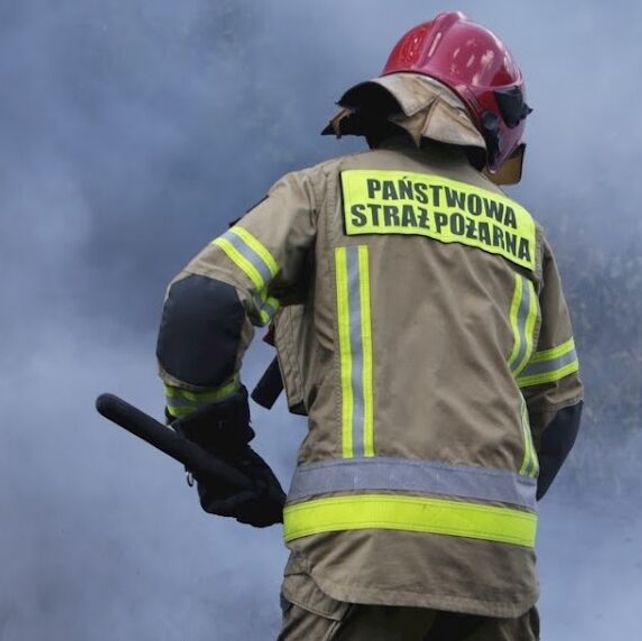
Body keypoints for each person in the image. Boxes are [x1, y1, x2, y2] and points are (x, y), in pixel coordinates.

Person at [155, 11, 583, 640]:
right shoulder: (525, 237)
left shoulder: (321, 194)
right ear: (495, 124)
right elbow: (560, 410)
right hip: (499, 585)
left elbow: (202, 303)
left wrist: (216, 440)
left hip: (355, 574)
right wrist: (475, 524)